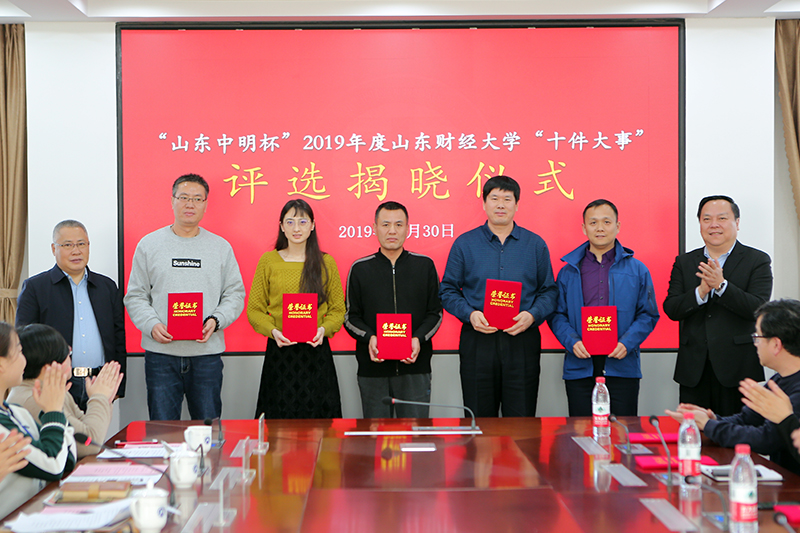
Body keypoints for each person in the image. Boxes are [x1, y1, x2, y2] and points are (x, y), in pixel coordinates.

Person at [124, 174, 245, 421]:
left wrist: (216, 320)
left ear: (205, 204)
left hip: (206, 355)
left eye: (197, 199)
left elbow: (235, 293)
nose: (190, 204)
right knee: (163, 429)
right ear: (172, 201)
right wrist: (151, 325)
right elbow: (135, 295)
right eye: (184, 197)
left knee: (208, 429)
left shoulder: (220, 247)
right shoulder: (149, 245)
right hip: (161, 356)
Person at [439, 175, 558, 417]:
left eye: (507, 199)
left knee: (521, 419)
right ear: (484, 203)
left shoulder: (535, 245)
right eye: (494, 198)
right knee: (479, 418)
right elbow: (447, 290)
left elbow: (549, 291)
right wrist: (470, 314)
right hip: (478, 340)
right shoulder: (465, 244)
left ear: (517, 204)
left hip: (521, 339)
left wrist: (532, 315)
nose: (500, 205)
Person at [663, 195, 773, 416]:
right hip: (694, 369)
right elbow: (672, 308)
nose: (714, 225)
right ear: (700, 224)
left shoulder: (757, 260)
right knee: (694, 431)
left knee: (738, 430)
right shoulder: (684, 262)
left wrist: (721, 286)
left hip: (738, 369)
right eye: (707, 219)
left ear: (737, 222)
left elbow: (758, 308)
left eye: (722, 218)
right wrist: (701, 292)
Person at [549, 199, 659, 416]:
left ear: (617, 226)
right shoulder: (568, 271)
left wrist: (627, 343)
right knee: (580, 431)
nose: (600, 228)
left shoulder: (637, 270)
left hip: (622, 365)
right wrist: (572, 342)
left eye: (606, 222)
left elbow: (648, 314)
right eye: (593, 222)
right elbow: (556, 314)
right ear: (584, 228)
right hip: (580, 365)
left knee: (622, 430)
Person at [666, 299, 800, 475]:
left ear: (776, 345)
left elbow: (766, 439)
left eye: (757, 337)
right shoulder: (779, 380)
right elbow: (747, 419)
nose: (755, 343)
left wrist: (709, 426)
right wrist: (712, 419)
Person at [248, 199, 346, 419]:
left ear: (312, 225)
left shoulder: (326, 262)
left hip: (316, 351)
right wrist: (273, 331)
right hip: (280, 352)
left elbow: (338, 310)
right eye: (290, 222)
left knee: (320, 425)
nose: (296, 228)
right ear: (282, 226)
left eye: (303, 222)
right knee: (278, 423)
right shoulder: (269, 261)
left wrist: (323, 329)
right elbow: (254, 310)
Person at [344, 201, 443, 418]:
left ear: (407, 228)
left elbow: (435, 313)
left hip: (415, 368)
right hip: (373, 370)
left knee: (416, 433)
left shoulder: (424, 266)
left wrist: (417, 339)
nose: (392, 231)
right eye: (386, 224)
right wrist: (370, 337)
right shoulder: (360, 268)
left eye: (398, 225)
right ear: (375, 228)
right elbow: (351, 317)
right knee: (376, 435)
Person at [16, 220, 126, 412]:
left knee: (95, 431)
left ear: (88, 246)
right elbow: (25, 339)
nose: (76, 251)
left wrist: (118, 384)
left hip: (99, 382)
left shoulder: (107, 287)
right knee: (59, 430)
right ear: (54, 249)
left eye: (81, 244)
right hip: (56, 384)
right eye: (67, 245)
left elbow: (118, 337)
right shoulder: (36, 287)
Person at [9, 324, 122, 459]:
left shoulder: (50, 389)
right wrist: (99, 397)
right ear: (50, 367)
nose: (70, 360)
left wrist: (104, 399)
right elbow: (89, 444)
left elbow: (89, 429)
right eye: (68, 354)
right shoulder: (35, 398)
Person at [0, 322, 77, 519]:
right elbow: (53, 465)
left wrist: (55, 410)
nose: (25, 360)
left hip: (33, 514)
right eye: (19, 352)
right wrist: (53, 411)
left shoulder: (17, 413)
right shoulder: (3, 427)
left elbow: (67, 459)